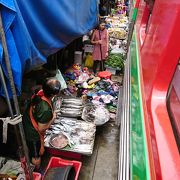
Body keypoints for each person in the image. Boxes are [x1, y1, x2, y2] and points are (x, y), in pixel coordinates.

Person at [23, 78, 61, 170]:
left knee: (31, 148)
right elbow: (41, 128)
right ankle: (36, 170)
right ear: (53, 94)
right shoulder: (45, 109)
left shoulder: (40, 91)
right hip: (32, 133)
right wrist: (53, 118)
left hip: (27, 121)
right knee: (36, 155)